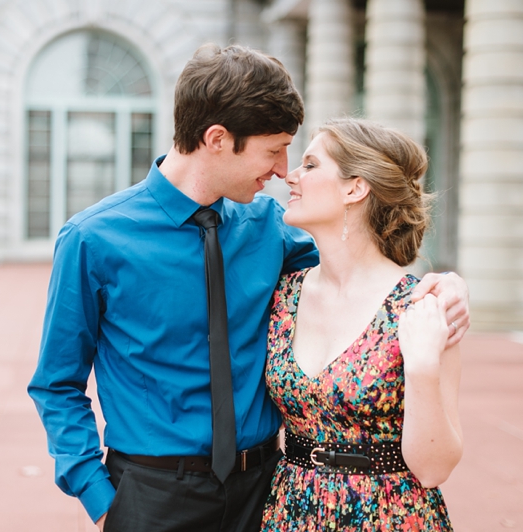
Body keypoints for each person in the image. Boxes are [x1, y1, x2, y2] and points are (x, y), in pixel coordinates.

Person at [28, 44, 469, 532]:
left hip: (266, 493)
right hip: (151, 496)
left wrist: (445, 287)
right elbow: (56, 382)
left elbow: (361, 269)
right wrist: (99, 495)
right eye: (273, 148)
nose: (283, 169)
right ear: (217, 138)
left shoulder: (271, 229)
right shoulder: (93, 238)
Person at [260, 118, 463, 531]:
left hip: (388, 515)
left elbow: (433, 469)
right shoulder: (283, 295)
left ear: (355, 188)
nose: (291, 176)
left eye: (311, 165)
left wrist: (423, 365)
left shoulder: (422, 306)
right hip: (291, 510)